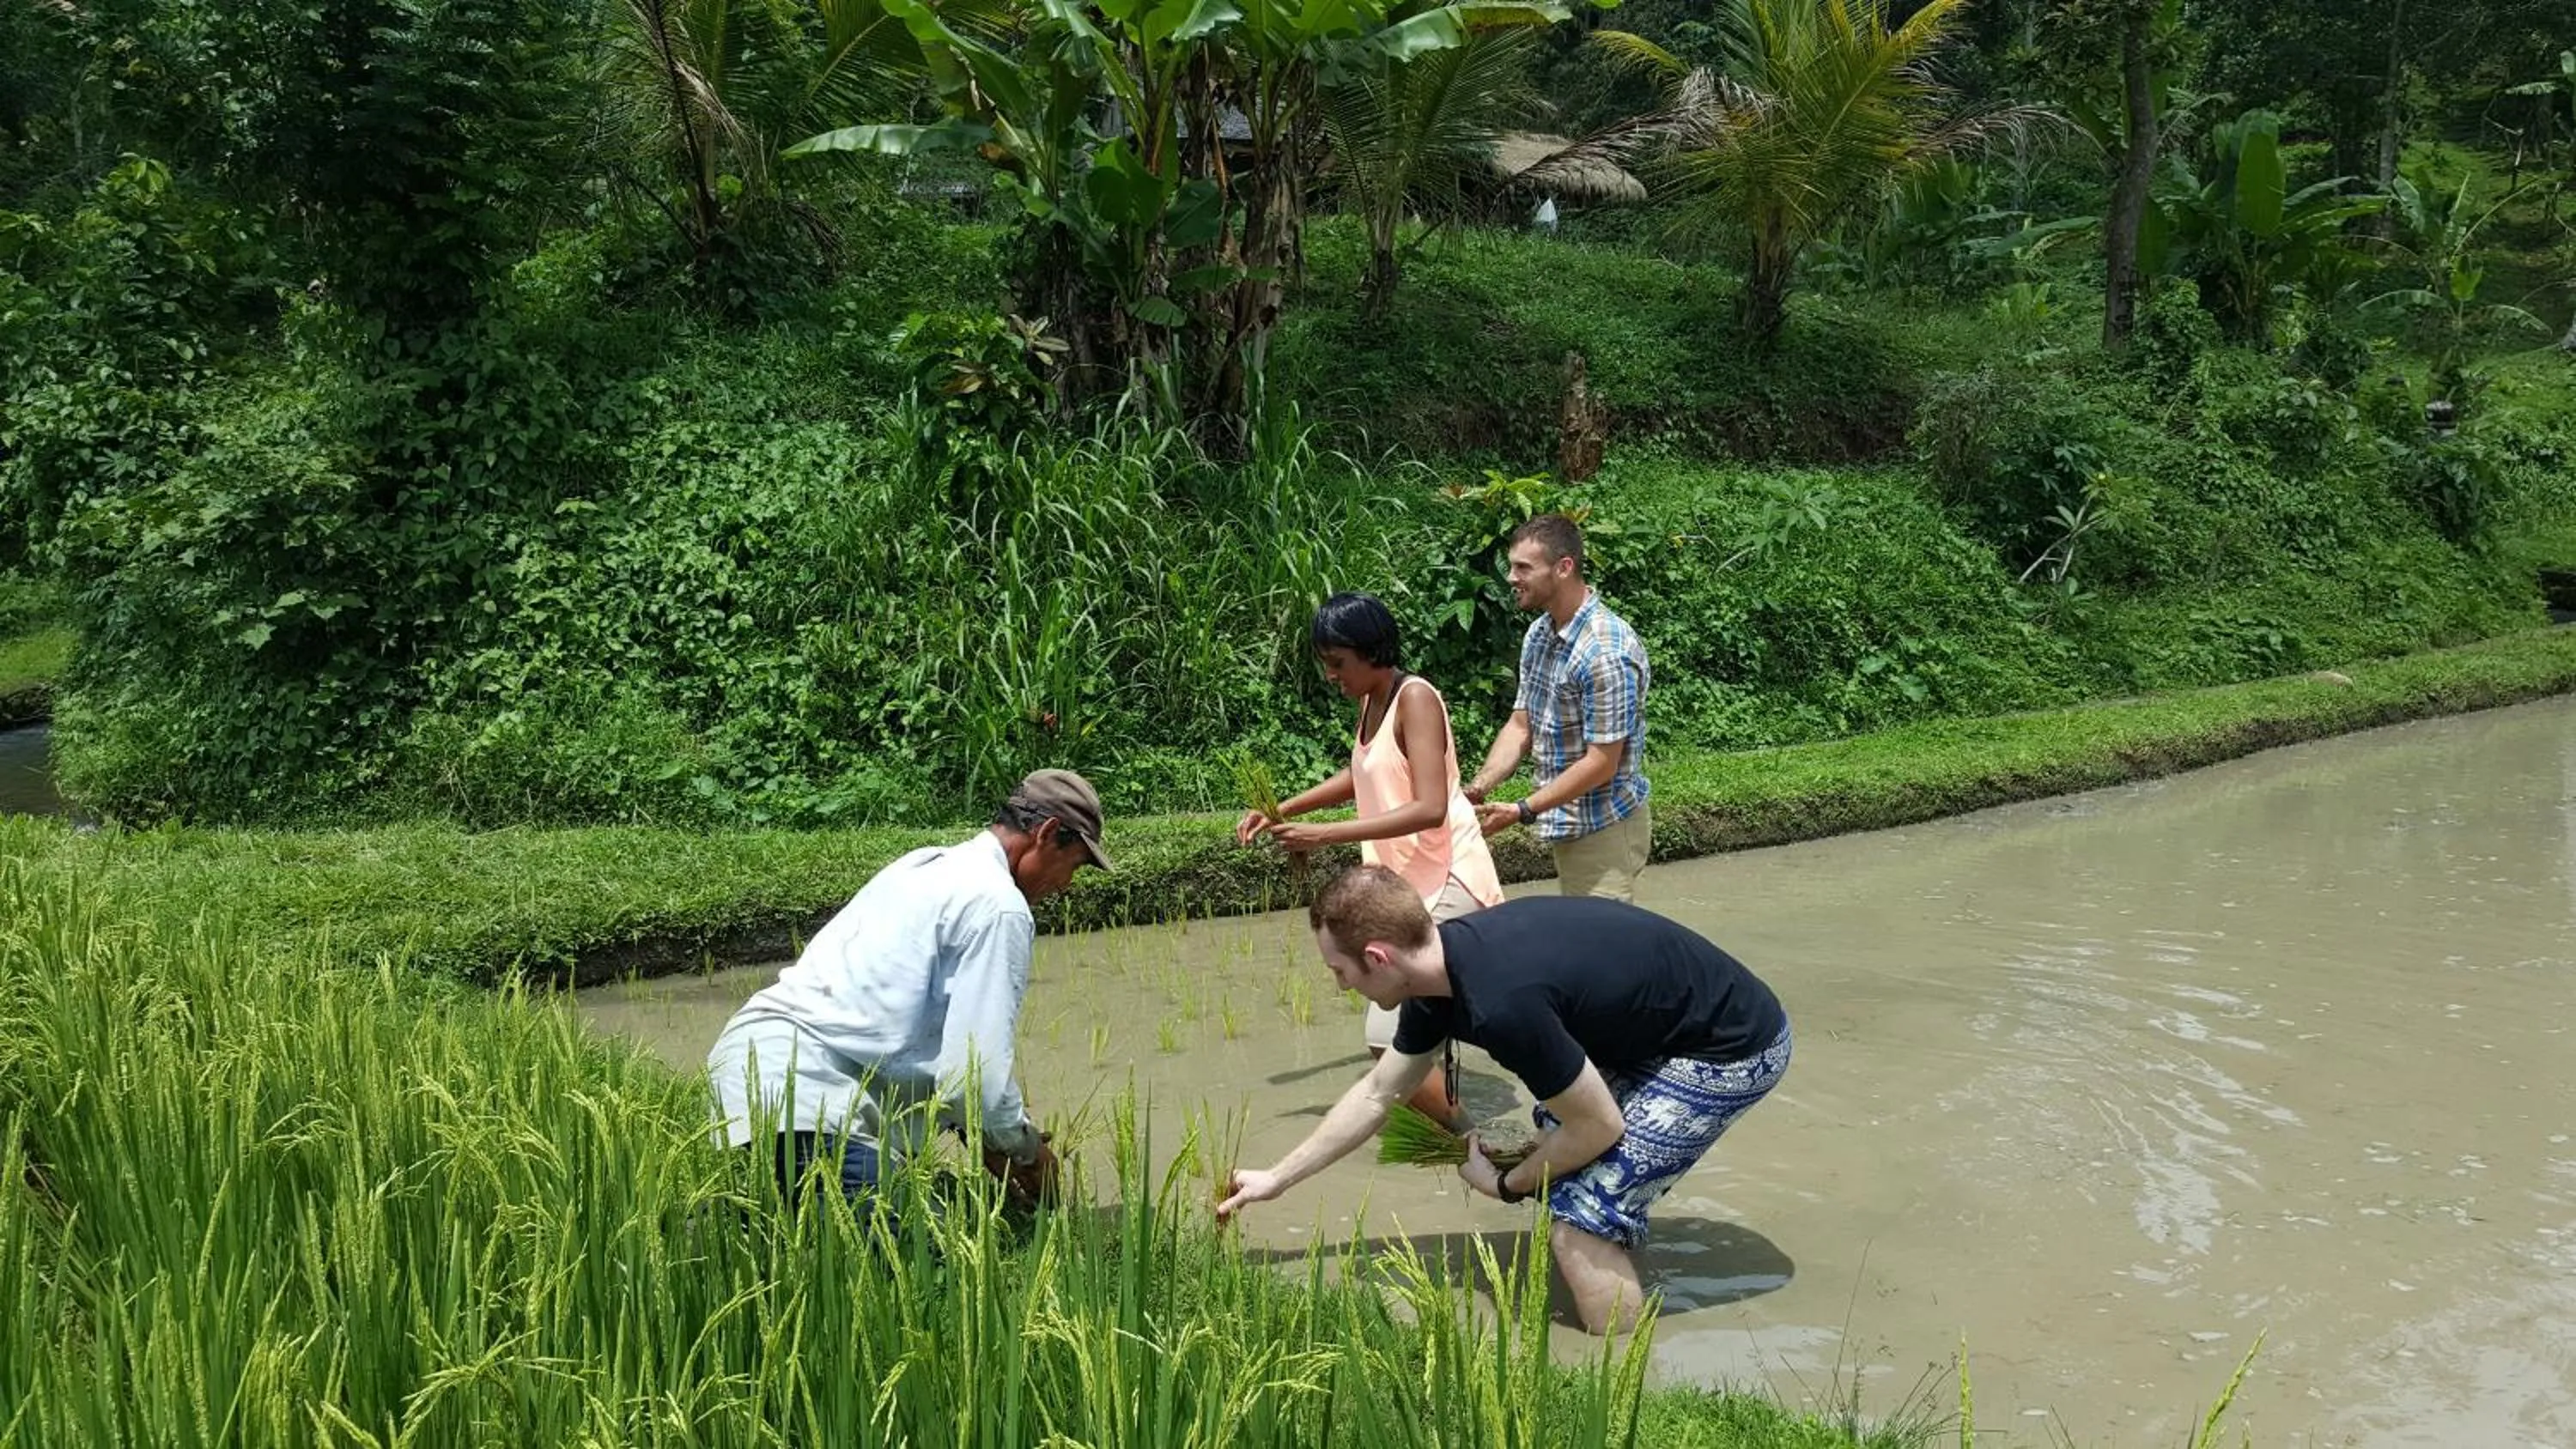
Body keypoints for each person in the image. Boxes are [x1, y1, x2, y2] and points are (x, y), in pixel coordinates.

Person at [1214, 865, 1790, 1336]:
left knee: (1577, 1224)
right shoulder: (1439, 978)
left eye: (1339, 970)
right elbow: (1376, 1093)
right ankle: (1626, 1268)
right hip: (1662, 1032)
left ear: (1379, 958)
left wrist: (1506, 1186)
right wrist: (1277, 1179)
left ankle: (1618, 1377)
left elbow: (1597, 1127)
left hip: (1731, 1049)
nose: (1341, 986)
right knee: (1556, 1147)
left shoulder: (1503, 1003)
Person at [705, 768, 1114, 1208]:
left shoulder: (925, 865)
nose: (1065, 886)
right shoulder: (1001, 907)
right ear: (1048, 833)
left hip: (746, 1077)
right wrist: (1029, 1152)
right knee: (929, 1270)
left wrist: (984, 1137)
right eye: (1072, 866)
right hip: (812, 1096)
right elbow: (975, 1077)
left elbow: (906, 1020)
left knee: (778, 1239)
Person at [1236, 592, 1506, 1130]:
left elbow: (1430, 807)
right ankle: (1470, 1146)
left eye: (1338, 663)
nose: (1332, 676)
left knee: (1387, 1040)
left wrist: (1323, 835)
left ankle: (1478, 1142)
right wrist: (1284, 809)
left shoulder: (1415, 699)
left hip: (1449, 876)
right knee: (1408, 1032)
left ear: (1370, 651)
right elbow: (1361, 773)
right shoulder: (1372, 701)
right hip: (1407, 889)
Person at [1465, 512, 1653, 902]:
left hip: (1604, 828)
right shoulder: (1541, 633)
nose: (1511, 577)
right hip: (1568, 822)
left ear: (1564, 567)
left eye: (1523, 567)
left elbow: (1602, 763)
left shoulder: (1605, 652)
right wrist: (1479, 786)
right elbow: (1521, 725)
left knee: (1601, 954)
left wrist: (1523, 808)